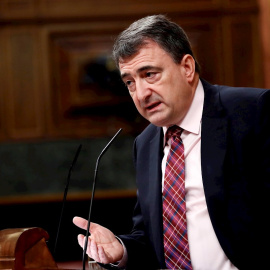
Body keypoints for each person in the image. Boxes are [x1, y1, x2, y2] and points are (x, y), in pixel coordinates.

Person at [73, 14, 270, 270]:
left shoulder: (252, 111)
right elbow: (152, 237)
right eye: (130, 82)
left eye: (150, 74)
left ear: (187, 67)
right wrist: (121, 249)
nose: (141, 93)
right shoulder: (145, 144)